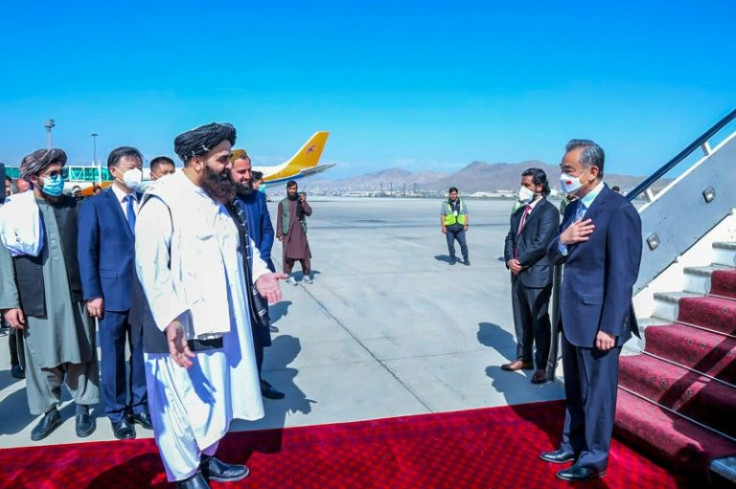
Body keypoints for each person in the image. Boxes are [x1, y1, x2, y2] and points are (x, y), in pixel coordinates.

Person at [134, 122, 286, 488]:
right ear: (197, 159)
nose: (227, 164)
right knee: (180, 403)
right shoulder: (163, 199)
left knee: (216, 399)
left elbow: (243, 247)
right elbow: (149, 266)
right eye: (221, 158)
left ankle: (207, 457)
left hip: (222, 321)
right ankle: (185, 474)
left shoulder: (217, 199)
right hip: (181, 326)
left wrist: (260, 275)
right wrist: (171, 320)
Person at [540, 140, 642, 482]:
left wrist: (611, 326)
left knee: (597, 395)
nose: (563, 177)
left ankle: (594, 458)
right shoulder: (573, 208)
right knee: (574, 388)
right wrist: (564, 239)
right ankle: (571, 444)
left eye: (568, 171)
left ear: (592, 171)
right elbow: (554, 253)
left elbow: (622, 274)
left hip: (599, 321)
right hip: (572, 316)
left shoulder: (618, 210)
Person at [0, 148, 99, 441]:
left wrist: (94, 293)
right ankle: (50, 410)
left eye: (61, 173)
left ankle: (83, 406)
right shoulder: (12, 212)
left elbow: (90, 252)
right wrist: (9, 304)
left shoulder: (75, 207)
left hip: (74, 294)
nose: (59, 179)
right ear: (33, 178)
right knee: (41, 357)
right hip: (35, 298)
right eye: (52, 174)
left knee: (80, 350)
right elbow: (4, 262)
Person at [78, 146, 152, 440]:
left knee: (142, 354)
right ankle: (117, 413)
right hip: (109, 295)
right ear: (114, 171)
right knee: (112, 357)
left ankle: (140, 404)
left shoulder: (145, 201)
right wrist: (92, 293)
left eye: (140, 166)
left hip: (143, 293)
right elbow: (87, 252)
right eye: (131, 166)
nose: (137, 172)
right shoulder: (95, 205)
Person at [230, 149, 284, 400]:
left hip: (259, 274)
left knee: (258, 333)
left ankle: (256, 380)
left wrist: (258, 263)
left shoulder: (257, 199)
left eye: (249, 170)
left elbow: (267, 230)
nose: (247, 176)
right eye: (241, 171)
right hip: (232, 278)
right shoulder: (220, 201)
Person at [502, 168, 559, 383]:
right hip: (517, 275)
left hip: (537, 277)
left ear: (539, 187)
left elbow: (541, 244)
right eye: (522, 184)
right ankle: (523, 357)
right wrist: (509, 260)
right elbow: (510, 238)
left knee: (539, 322)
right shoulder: (519, 212)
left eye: (526, 185)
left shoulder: (549, 212)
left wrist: (520, 261)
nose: (522, 189)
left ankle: (542, 365)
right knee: (521, 320)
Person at [277, 180, 313, 284]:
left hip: (300, 231)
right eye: (291, 189)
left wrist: (304, 202)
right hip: (288, 233)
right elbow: (280, 218)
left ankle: (306, 275)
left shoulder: (300, 201)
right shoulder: (282, 203)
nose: (292, 191)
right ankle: (288, 276)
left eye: (294, 189)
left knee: (304, 255)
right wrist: (279, 234)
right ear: (287, 189)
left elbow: (309, 212)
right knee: (288, 256)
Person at [440, 186, 469, 266]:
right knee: (450, 245)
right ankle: (452, 259)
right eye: (452, 194)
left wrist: (466, 224)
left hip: (460, 228)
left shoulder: (462, 203)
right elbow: (442, 216)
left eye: (455, 194)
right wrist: (443, 227)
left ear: (457, 194)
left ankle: (466, 259)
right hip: (449, 229)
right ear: (449, 194)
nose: (453, 195)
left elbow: (466, 214)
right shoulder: (445, 204)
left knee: (463, 244)